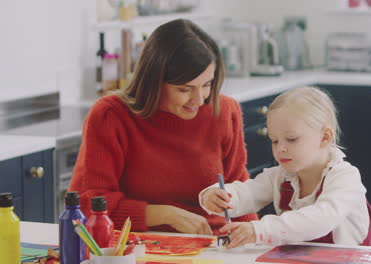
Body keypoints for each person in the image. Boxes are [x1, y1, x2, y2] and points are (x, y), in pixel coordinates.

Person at [69, 19, 258, 235]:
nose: (198, 99)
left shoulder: (224, 110)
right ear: (154, 81)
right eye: (184, 89)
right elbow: (88, 204)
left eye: (207, 85)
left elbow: (239, 188)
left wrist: (256, 239)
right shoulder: (111, 116)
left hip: (212, 245)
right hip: (140, 247)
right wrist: (164, 214)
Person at [199, 87, 371, 248]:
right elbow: (249, 192)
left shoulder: (345, 178)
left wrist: (260, 230)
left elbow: (320, 219)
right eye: (274, 140)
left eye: (291, 139)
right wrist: (219, 196)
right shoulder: (281, 176)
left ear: (325, 137)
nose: (280, 148)